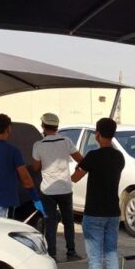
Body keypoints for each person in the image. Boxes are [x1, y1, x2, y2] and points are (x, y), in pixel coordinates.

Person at [72, 117, 125, 269]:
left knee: (95, 259)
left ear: (98, 134)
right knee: (111, 254)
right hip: (113, 212)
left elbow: (76, 177)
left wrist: (78, 165)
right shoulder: (119, 157)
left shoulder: (93, 156)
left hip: (94, 213)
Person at [30, 112, 83, 261]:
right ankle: (71, 252)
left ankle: (52, 254)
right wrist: (75, 175)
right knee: (68, 221)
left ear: (43, 126)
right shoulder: (66, 141)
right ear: (56, 126)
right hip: (65, 188)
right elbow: (81, 159)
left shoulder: (38, 145)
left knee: (51, 223)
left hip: (47, 190)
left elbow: (35, 167)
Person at [0, 113, 42, 219]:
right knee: (2, 233)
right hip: (4, 202)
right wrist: (36, 198)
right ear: (8, 128)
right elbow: (25, 178)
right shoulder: (13, 151)